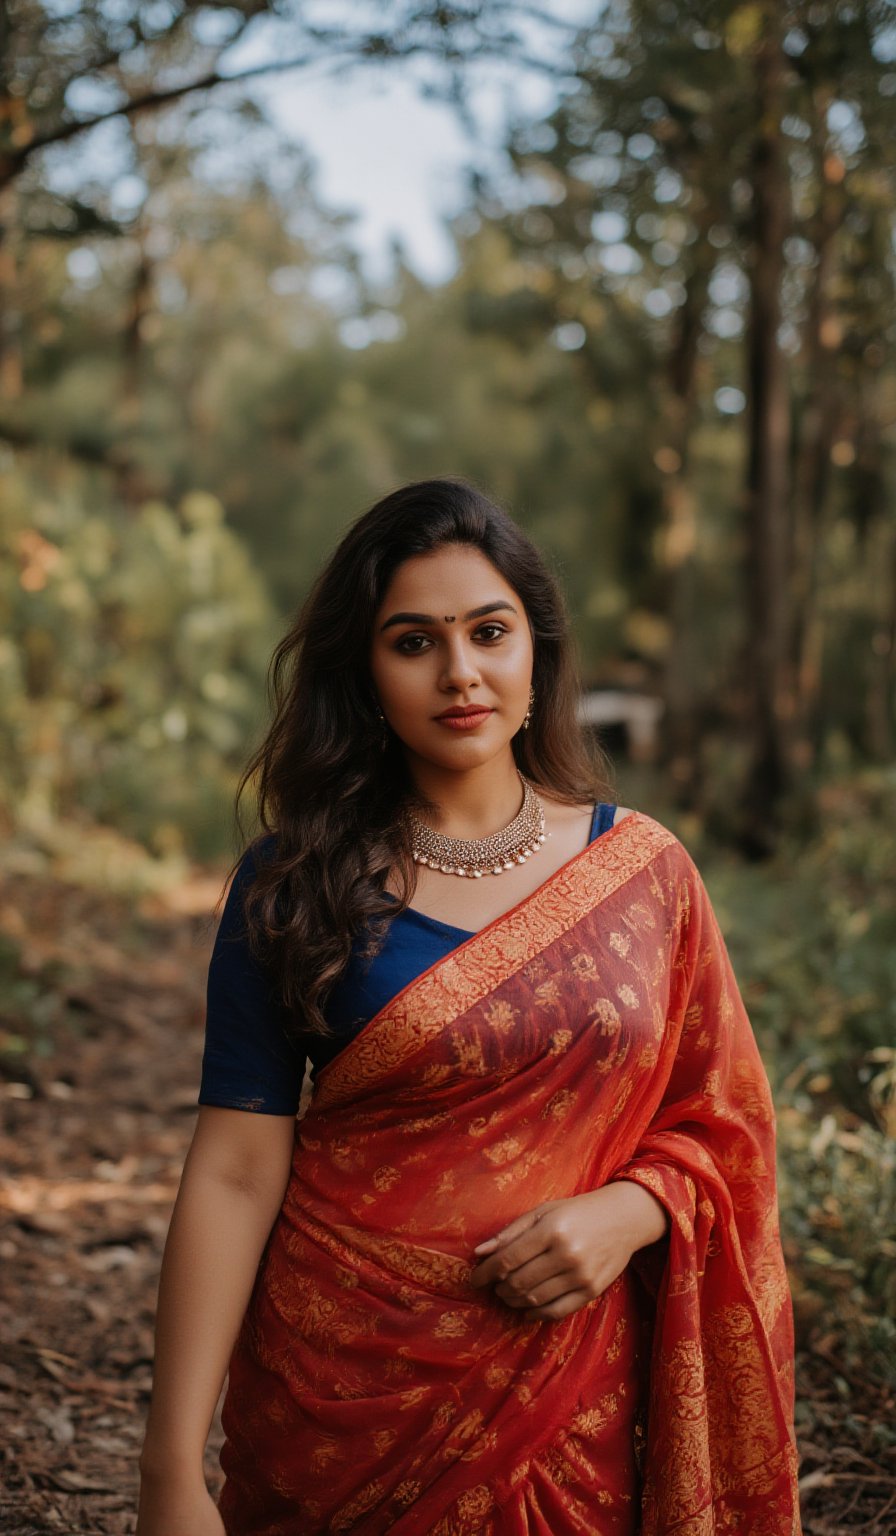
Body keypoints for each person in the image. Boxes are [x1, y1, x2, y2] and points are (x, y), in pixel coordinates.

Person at [137, 478, 802, 1535]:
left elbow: (727, 1128)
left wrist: (627, 1212)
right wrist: (170, 1470)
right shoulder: (292, 882)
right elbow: (231, 1168)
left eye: (488, 632)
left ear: (534, 652)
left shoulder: (644, 876)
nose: (459, 673)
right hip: (341, 1400)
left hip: (574, 1408)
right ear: (365, 671)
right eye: (413, 642)